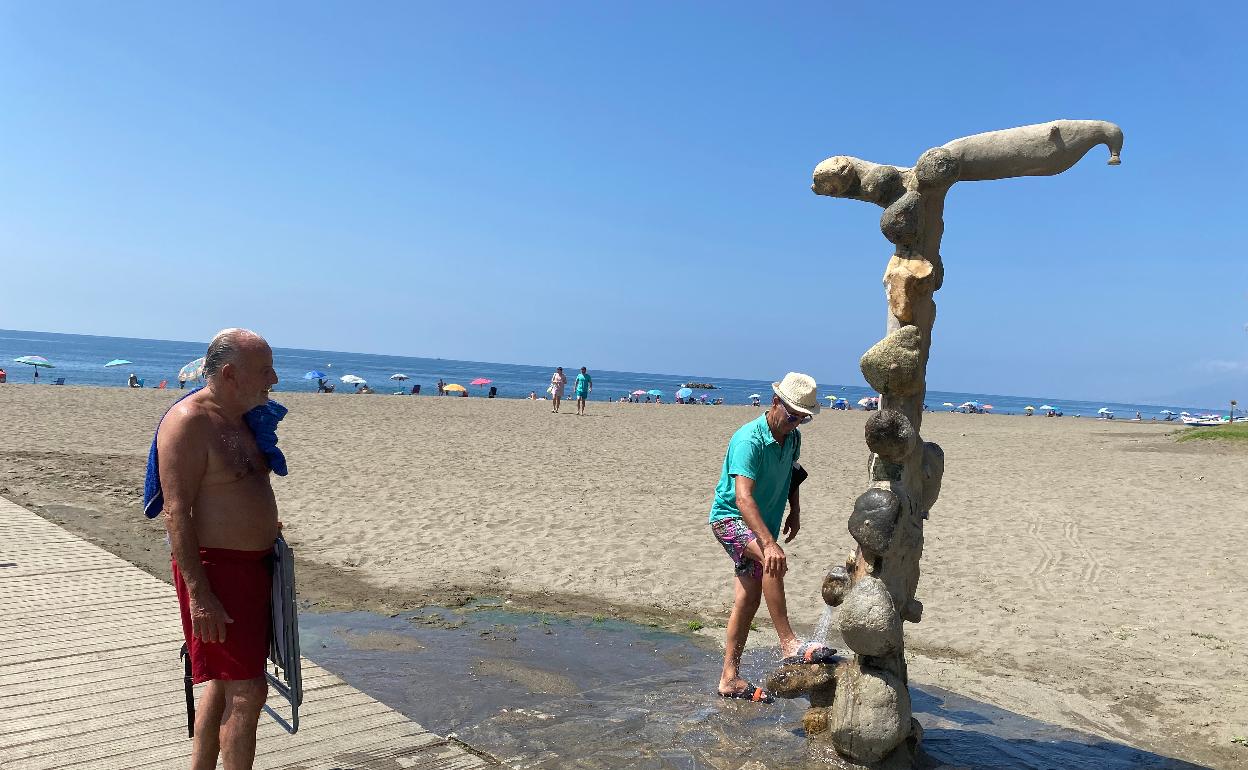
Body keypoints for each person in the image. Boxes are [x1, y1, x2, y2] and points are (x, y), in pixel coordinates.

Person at [156, 328, 281, 769]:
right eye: (264, 370)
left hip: (251, 569)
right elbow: (176, 512)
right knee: (248, 691)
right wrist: (199, 594)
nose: (275, 378)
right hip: (217, 574)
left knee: (223, 684)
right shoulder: (190, 421)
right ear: (230, 374)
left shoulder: (243, 416)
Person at [710, 372, 832, 703]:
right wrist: (769, 543)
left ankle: (729, 678)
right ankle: (788, 643)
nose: (794, 424)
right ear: (775, 402)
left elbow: (793, 473)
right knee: (771, 560)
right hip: (730, 520)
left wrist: (795, 510)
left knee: (748, 601)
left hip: (762, 524)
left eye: (802, 419)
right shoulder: (749, 440)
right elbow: (743, 498)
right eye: (791, 416)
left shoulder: (792, 439)